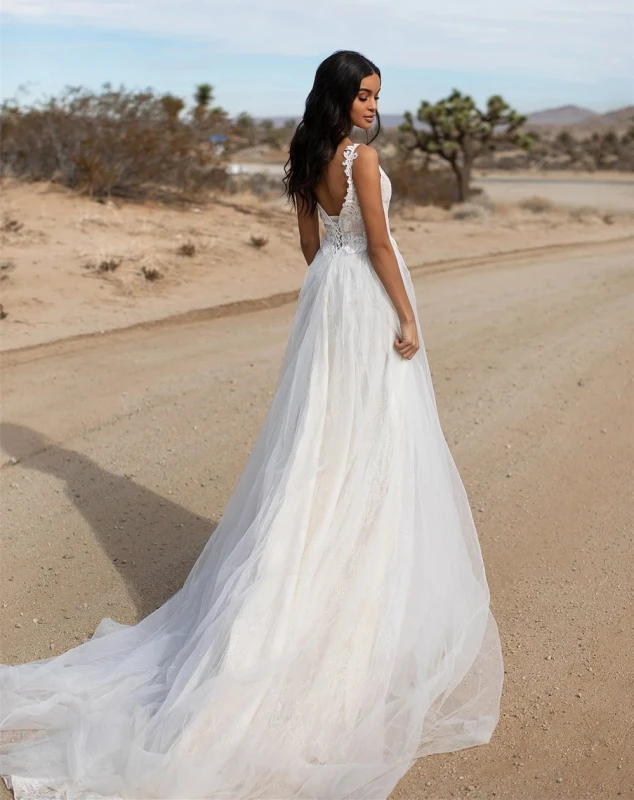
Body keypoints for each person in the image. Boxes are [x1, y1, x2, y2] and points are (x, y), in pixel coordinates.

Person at [0, 50, 503, 800]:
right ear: (341, 97)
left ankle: (317, 562)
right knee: (369, 446)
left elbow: (313, 248)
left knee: (318, 445)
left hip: (325, 301)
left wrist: (333, 283)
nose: (372, 107)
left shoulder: (305, 156)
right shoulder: (361, 161)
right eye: (363, 95)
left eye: (376, 97)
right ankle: (347, 592)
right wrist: (404, 313)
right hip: (362, 300)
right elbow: (383, 243)